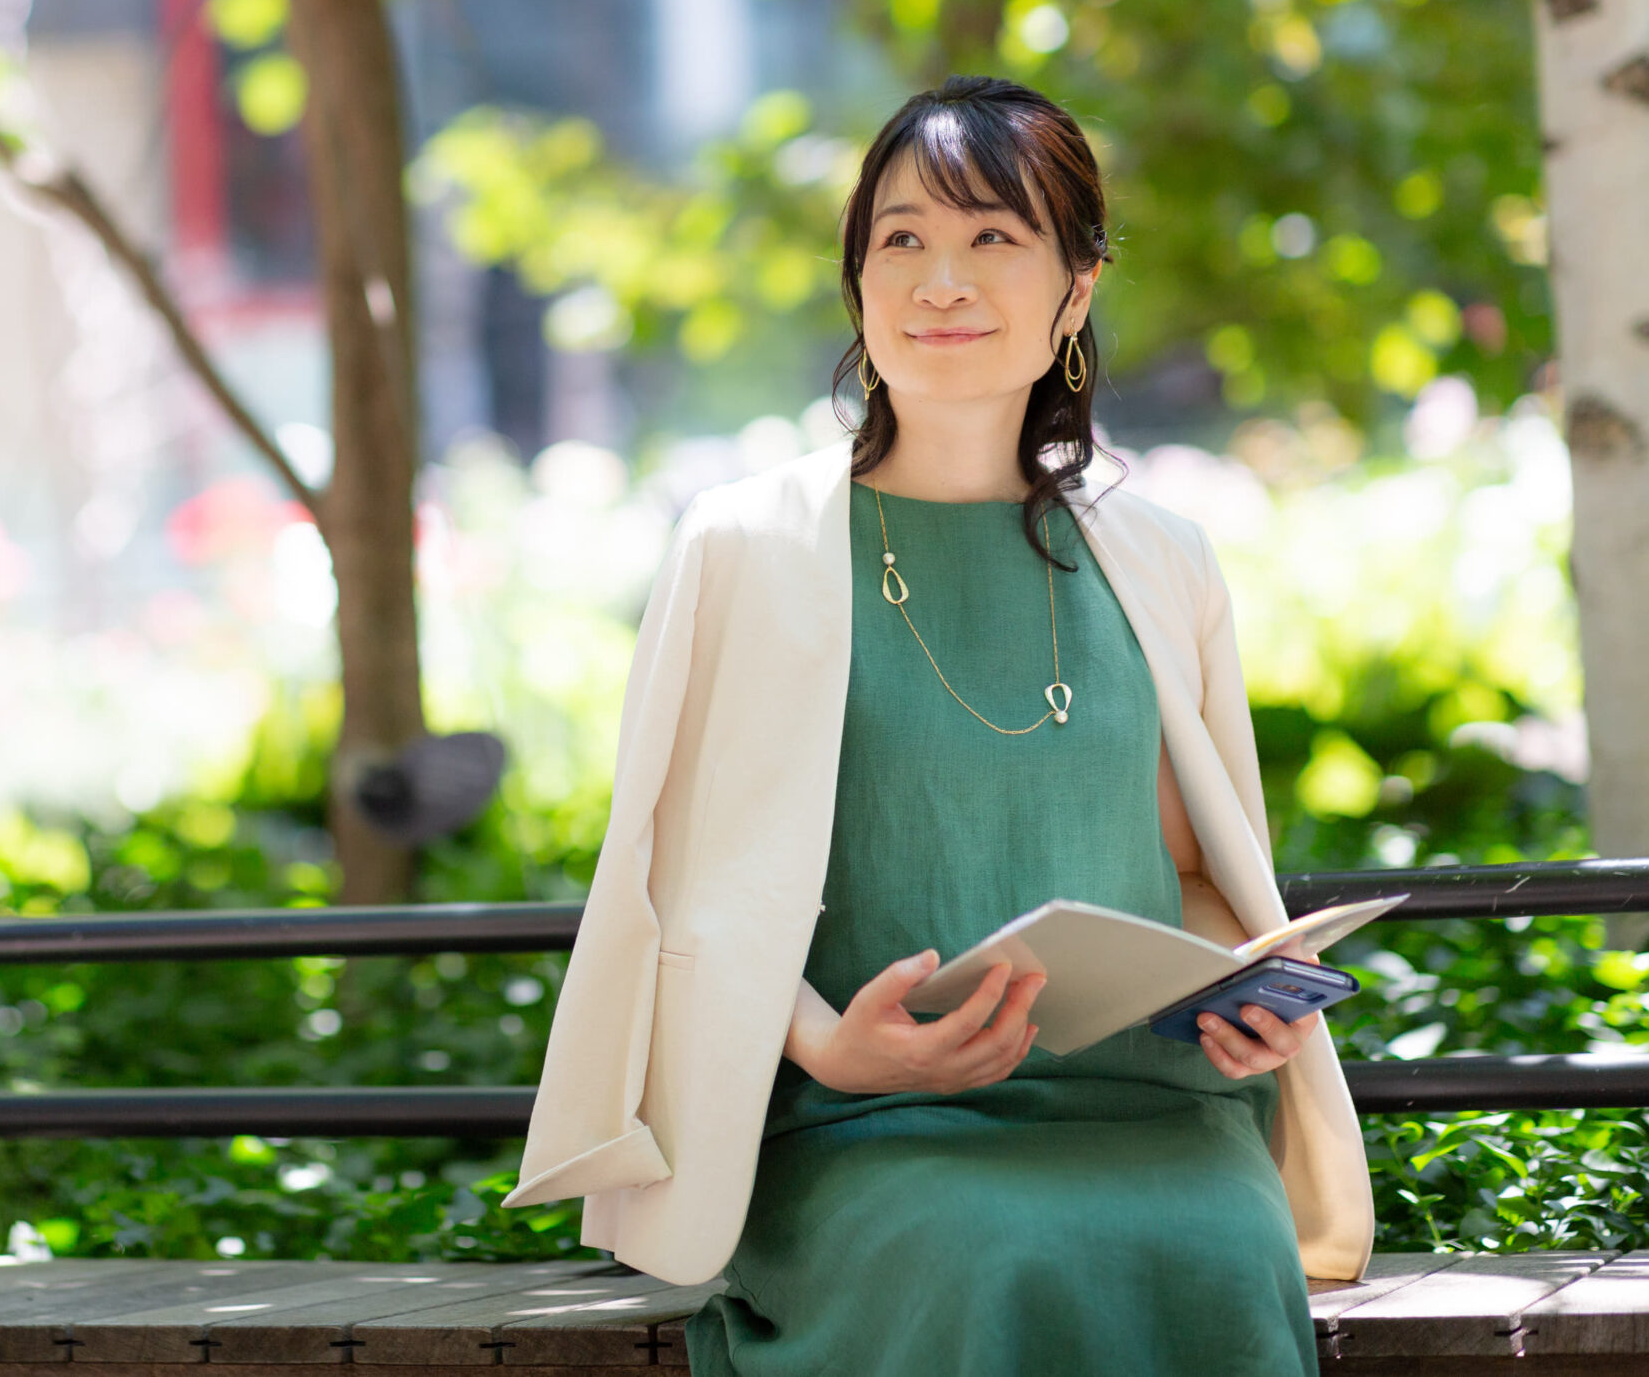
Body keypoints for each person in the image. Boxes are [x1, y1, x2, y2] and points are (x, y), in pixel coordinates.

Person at [499, 76, 1372, 1375]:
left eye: (992, 240)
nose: (939, 282)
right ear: (857, 284)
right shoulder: (749, 545)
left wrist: (1238, 999)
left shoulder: (1159, 556)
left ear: (1076, 289)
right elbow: (675, 883)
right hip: (861, 1123)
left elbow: (1190, 874)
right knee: (986, 1251)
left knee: (1214, 1254)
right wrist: (832, 1051)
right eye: (900, 240)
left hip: (1142, 1108)